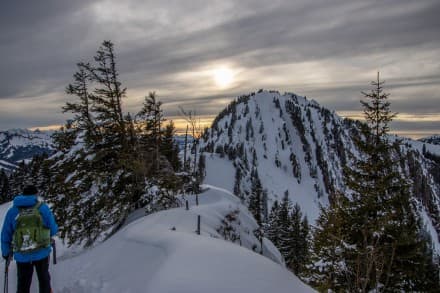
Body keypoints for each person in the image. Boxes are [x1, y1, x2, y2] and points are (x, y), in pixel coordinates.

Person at [1, 185, 58, 293]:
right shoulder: (42, 208)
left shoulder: (13, 211)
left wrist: (6, 252)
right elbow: (53, 229)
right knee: (44, 280)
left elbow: (5, 234)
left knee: (23, 284)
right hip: (41, 251)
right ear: (35, 194)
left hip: (22, 254)